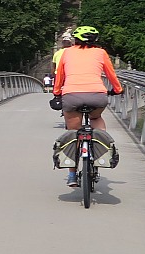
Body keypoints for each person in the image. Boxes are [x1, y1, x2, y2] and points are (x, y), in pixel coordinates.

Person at [51, 26, 124, 186]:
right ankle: (100, 150)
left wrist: (57, 93)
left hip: (72, 96)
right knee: (96, 117)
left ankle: (71, 175)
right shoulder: (101, 53)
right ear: (95, 40)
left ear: (75, 40)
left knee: (73, 133)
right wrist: (118, 89)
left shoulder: (67, 53)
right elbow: (111, 74)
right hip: (97, 96)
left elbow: (60, 75)